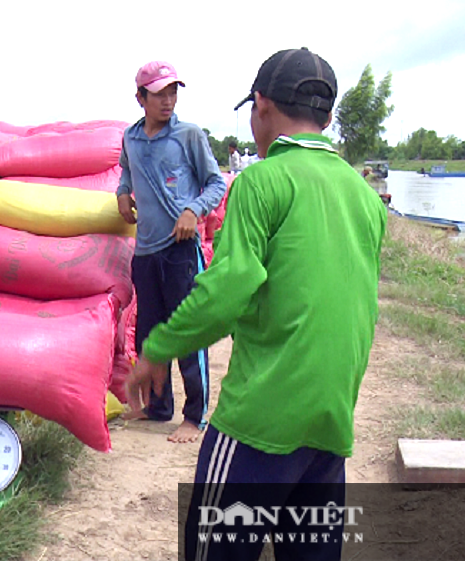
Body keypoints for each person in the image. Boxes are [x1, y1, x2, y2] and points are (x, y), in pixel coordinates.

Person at [127, 48, 386, 560]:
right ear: (329, 117)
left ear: (261, 107)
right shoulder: (363, 195)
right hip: (331, 420)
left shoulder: (262, 181)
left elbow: (229, 287)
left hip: (263, 418)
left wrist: (158, 349)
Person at [116, 60, 227, 443]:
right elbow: (126, 173)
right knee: (150, 335)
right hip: (145, 252)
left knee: (188, 333)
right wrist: (121, 193)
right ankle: (158, 407)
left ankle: (195, 416)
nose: (168, 101)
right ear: (140, 98)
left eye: (173, 92)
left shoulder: (189, 136)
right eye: (160, 94)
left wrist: (192, 210)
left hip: (180, 251)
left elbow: (216, 184)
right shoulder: (131, 138)